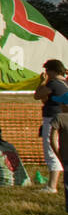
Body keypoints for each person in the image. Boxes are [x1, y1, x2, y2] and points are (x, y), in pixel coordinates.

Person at [33, 59, 67, 194]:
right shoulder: (65, 83)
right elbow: (45, 99)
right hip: (64, 119)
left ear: (52, 70)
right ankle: (54, 183)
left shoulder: (53, 83)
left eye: (47, 70)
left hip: (52, 119)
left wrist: (42, 82)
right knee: (61, 149)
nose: (46, 73)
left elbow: (38, 96)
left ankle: (52, 186)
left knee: (51, 149)